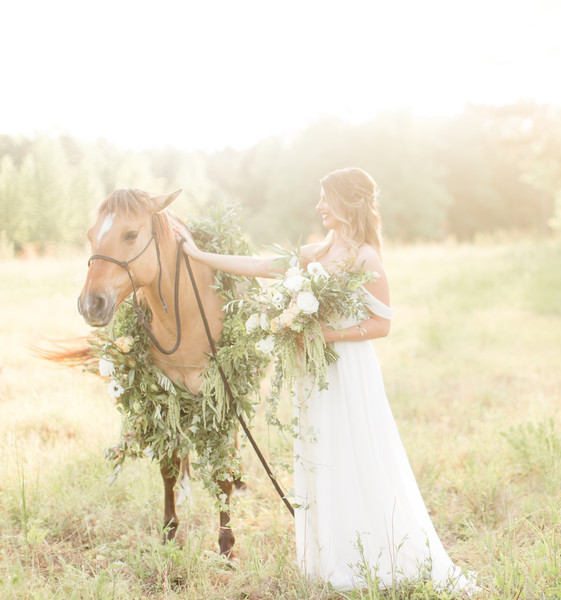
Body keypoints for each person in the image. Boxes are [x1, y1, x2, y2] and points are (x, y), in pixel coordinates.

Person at [180, 167, 477, 593]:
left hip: (349, 368)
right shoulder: (318, 252)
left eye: (326, 198)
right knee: (323, 454)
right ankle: (331, 554)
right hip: (315, 372)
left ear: (347, 202)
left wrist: (326, 334)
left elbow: (382, 324)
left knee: (355, 451)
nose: (319, 206)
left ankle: (371, 551)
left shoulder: (365, 258)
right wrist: (198, 256)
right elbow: (261, 265)